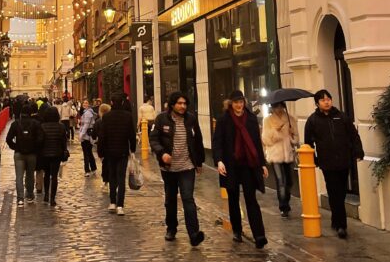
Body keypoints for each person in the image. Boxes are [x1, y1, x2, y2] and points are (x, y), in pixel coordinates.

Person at [304, 89, 364, 239]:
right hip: (327, 162)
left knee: (342, 192)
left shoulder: (341, 116)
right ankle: (341, 226)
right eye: (323, 100)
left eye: (328, 99)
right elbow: (308, 143)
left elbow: (353, 135)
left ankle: (335, 219)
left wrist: (358, 151)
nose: (327, 102)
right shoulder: (312, 120)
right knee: (333, 192)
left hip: (343, 161)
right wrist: (315, 159)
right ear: (317, 103)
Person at [213, 91, 269, 248]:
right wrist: (219, 161)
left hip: (248, 165)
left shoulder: (250, 119)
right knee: (233, 199)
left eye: (241, 102)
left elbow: (256, 142)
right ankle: (237, 230)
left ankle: (259, 235)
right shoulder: (224, 119)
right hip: (230, 165)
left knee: (251, 199)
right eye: (236, 102)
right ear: (231, 103)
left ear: (244, 103)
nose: (239, 105)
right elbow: (217, 142)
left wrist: (262, 163)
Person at [149, 91, 205, 246]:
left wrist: (199, 162)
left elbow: (198, 140)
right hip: (169, 168)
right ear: (172, 104)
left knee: (188, 198)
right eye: (179, 103)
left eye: (185, 103)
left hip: (187, 166)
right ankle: (171, 228)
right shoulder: (161, 119)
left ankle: (194, 233)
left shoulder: (191, 119)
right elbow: (153, 139)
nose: (183, 106)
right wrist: (162, 153)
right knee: (170, 199)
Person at [97, 94, 136, 215]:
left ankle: (112, 202)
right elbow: (132, 134)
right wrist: (132, 149)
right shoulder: (128, 116)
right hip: (123, 151)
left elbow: (102, 136)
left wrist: (100, 151)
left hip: (110, 151)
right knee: (121, 178)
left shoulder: (107, 117)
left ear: (112, 103)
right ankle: (120, 205)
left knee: (112, 177)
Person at [262, 101, 299, 217]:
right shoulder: (267, 120)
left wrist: (292, 134)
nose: (278, 109)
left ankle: (286, 199)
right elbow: (266, 140)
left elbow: (296, 139)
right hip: (275, 155)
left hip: (288, 154)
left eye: (280, 106)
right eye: (275, 106)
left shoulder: (290, 119)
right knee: (280, 181)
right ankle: (283, 207)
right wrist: (275, 131)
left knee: (289, 181)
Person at [7, 103, 42, 206]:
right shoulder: (35, 123)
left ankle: (20, 199)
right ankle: (30, 195)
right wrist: (35, 148)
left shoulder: (16, 124)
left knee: (19, 176)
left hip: (19, 154)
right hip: (32, 154)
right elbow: (40, 138)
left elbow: (8, 139)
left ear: (21, 113)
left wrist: (15, 147)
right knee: (30, 175)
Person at [39, 105, 67, 207]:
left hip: (45, 153)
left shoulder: (42, 126)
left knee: (46, 174)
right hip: (57, 153)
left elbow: (40, 141)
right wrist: (64, 150)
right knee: (54, 176)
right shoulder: (61, 126)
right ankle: (52, 199)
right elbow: (64, 141)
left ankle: (46, 195)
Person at [78, 99, 98, 177]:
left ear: (88, 104)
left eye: (86, 103)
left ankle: (87, 170)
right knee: (89, 152)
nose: (85, 104)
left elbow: (86, 125)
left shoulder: (87, 113)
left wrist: (81, 135)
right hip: (88, 135)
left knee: (86, 154)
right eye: (84, 103)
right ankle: (93, 168)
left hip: (86, 136)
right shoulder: (88, 112)